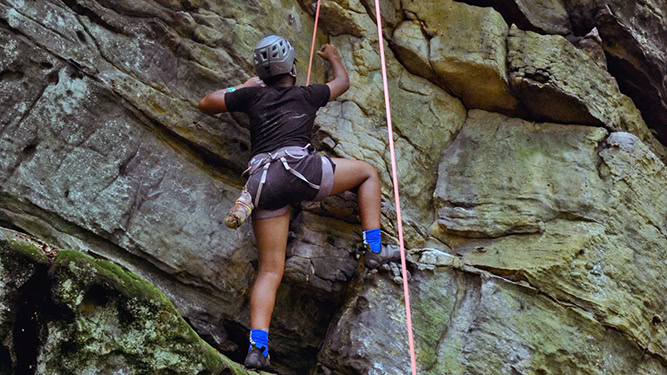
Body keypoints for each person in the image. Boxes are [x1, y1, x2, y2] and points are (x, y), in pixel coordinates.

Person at [199, 35, 400, 370]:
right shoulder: (307, 94)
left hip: (263, 183)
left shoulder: (252, 95)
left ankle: (257, 349)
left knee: (270, 269)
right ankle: (374, 247)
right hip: (303, 170)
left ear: (261, 72)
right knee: (367, 173)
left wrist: (243, 86)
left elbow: (207, 103)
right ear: (292, 65)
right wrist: (333, 56)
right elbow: (342, 83)